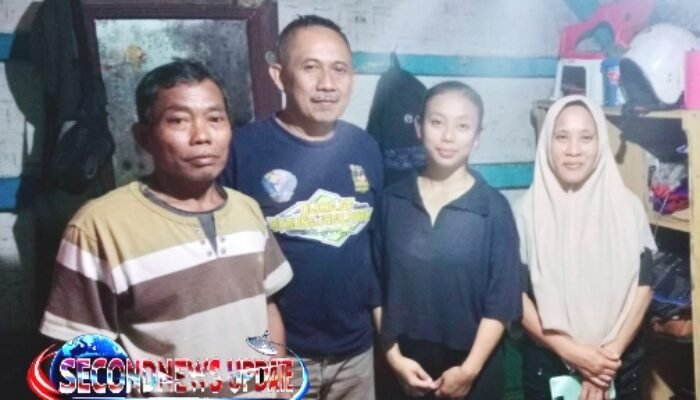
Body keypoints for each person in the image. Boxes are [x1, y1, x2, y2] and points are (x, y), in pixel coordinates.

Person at [39, 60, 293, 394]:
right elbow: (79, 358)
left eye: (215, 119)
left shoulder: (247, 210)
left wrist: (279, 385)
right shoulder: (99, 227)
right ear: (143, 137)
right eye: (178, 120)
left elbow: (267, 307)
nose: (202, 136)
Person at [219, 15, 383, 400]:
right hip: (278, 354)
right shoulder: (242, 150)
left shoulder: (366, 146)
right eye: (310, 67)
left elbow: (374, 248)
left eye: (339, 69)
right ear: (279, 76)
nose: (327, 83)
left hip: (356, 351)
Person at [375, 81, 522, 399]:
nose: (448, 137)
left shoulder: (493, 209)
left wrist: (469, 371)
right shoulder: (391, 201)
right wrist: (394, 358)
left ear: (477, 136)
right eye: (437, 122)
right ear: (419, 127)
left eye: (463, 126)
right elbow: (374, 287)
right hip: (403, 367)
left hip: (474, 369)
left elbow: (502, 301)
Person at [514, 95, 657, 400]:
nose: (573, 150)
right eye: (562, 137)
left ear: (600, 142)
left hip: (619, 366)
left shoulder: (628, 208)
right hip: (549, 367)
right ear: (547, 142)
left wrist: (605, 361)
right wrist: (573, 353)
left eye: (586, 138)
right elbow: (515, 296)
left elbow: (644, 288)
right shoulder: (525, 212)